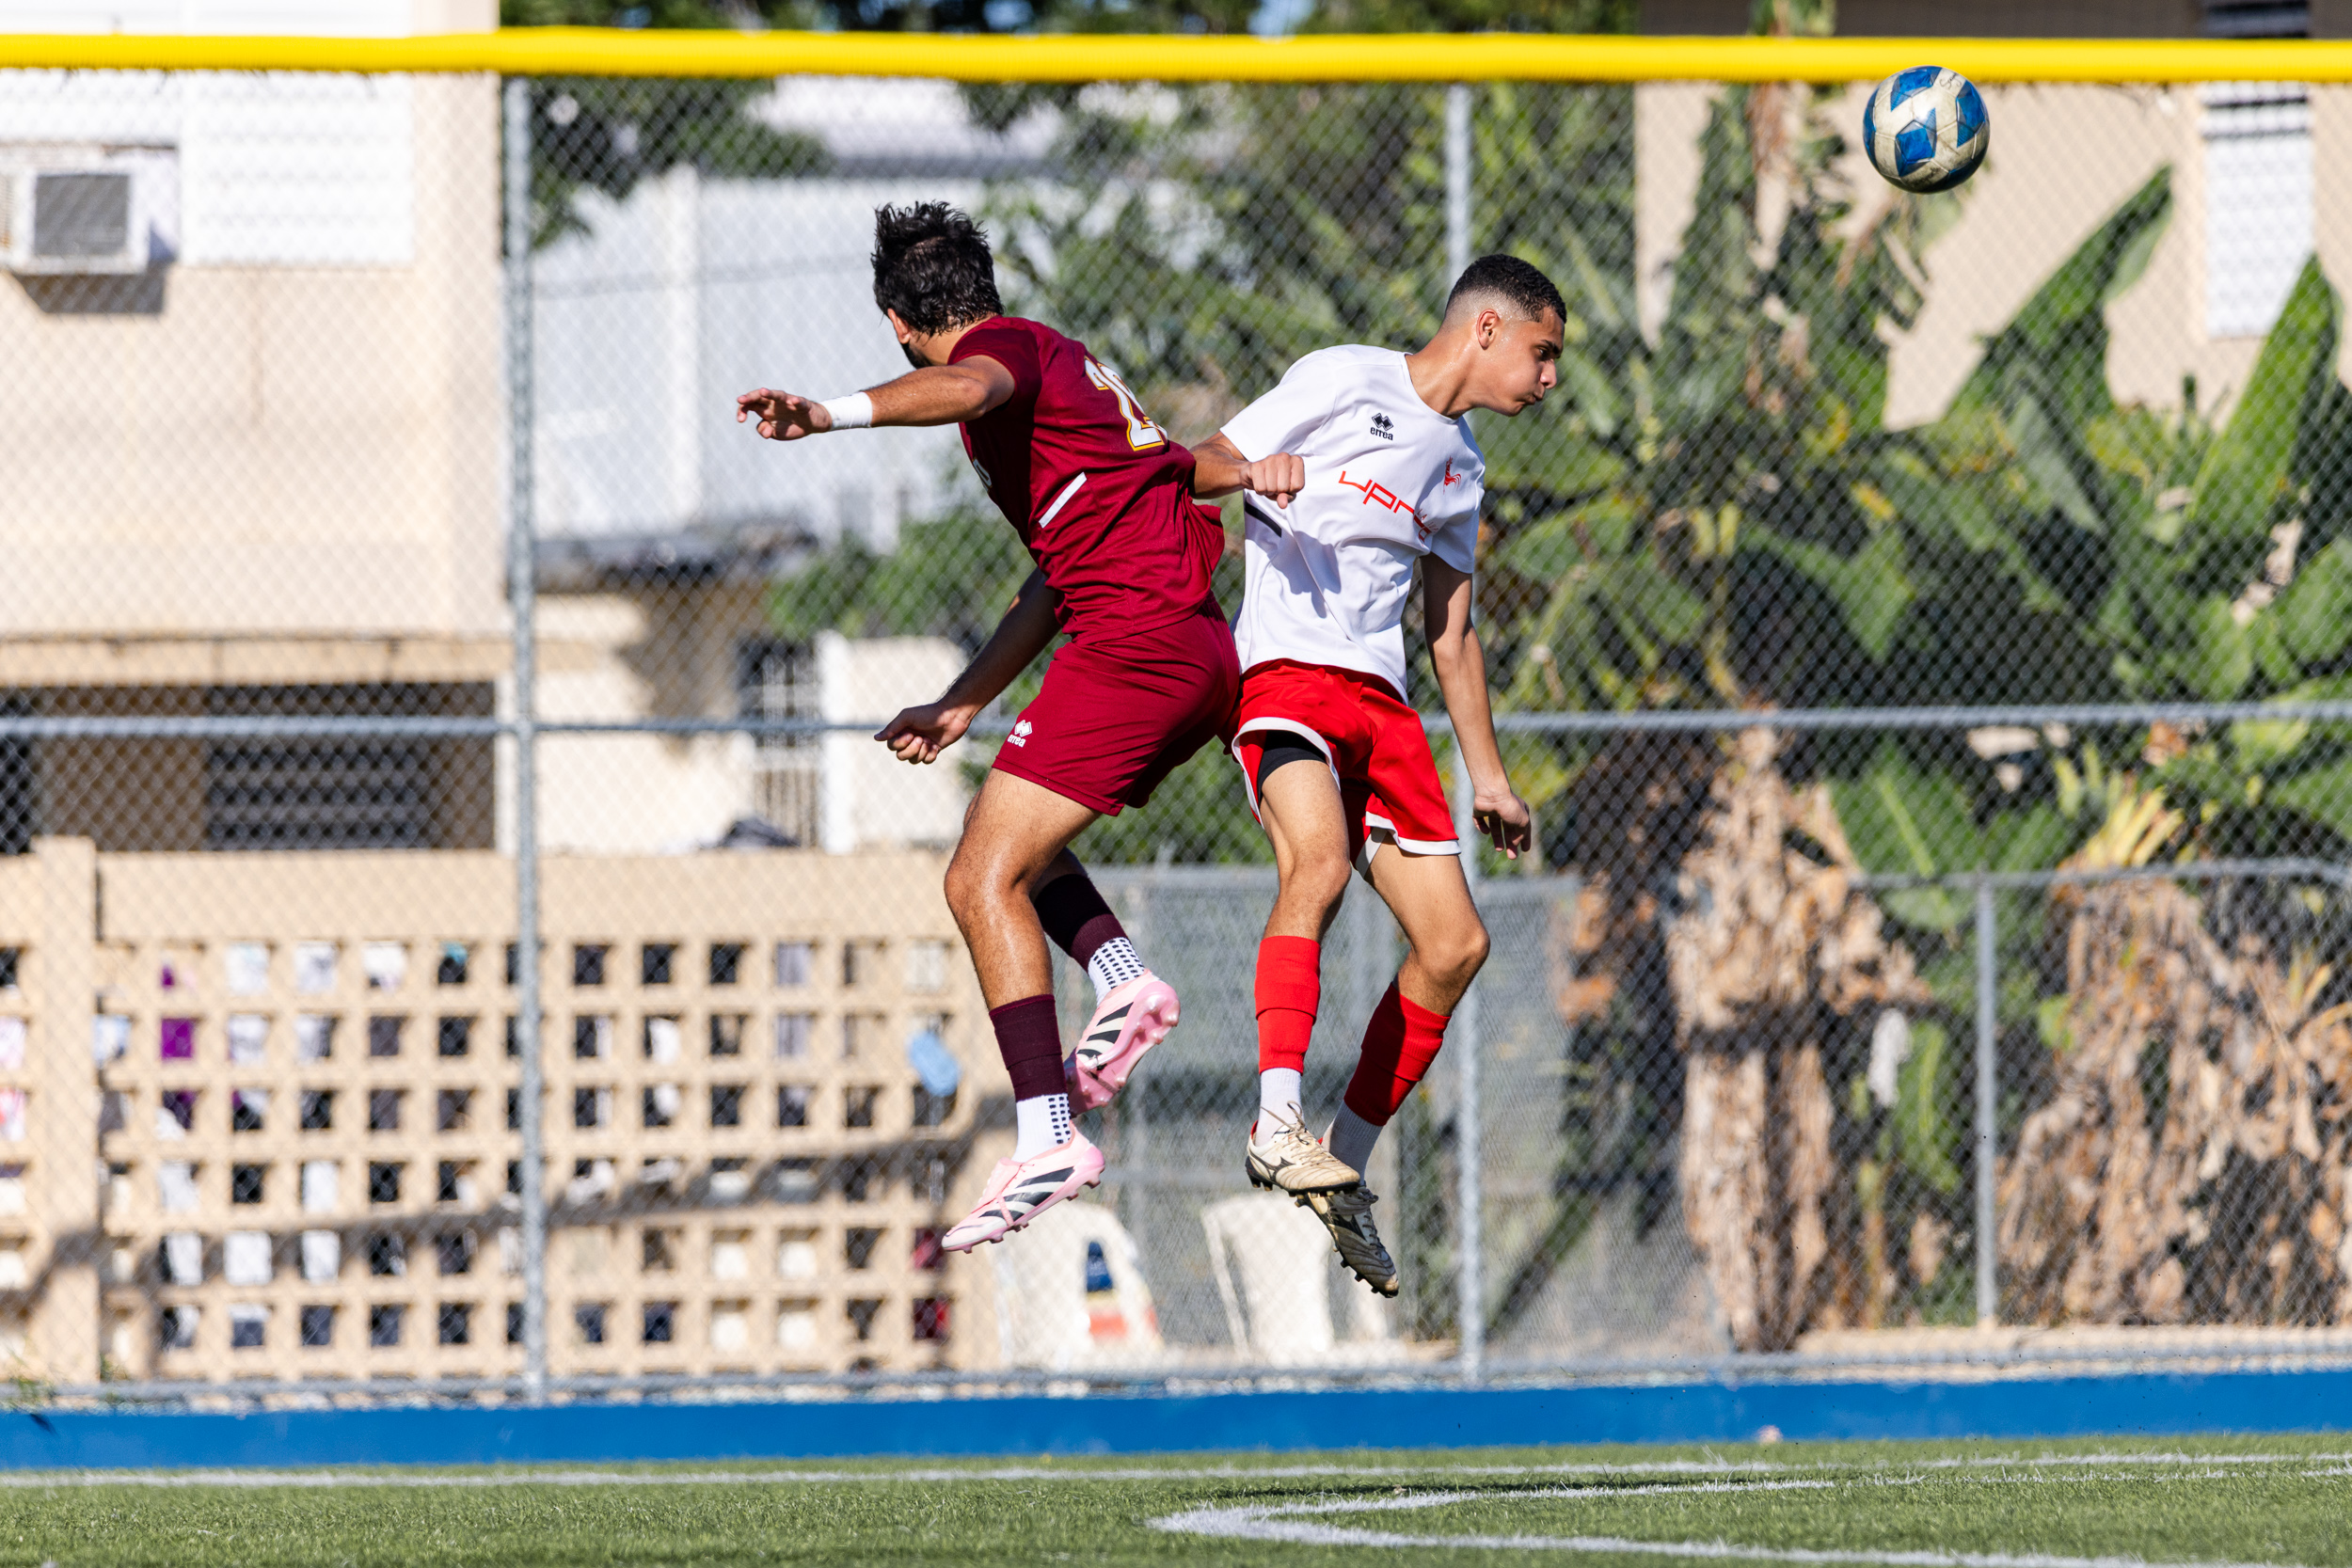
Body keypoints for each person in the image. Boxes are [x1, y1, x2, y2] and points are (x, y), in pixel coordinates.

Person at [736, 203, 1243, 1252]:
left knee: (975, 879)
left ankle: (1048, 1134)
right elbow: (1053, 580)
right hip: (1184, 646)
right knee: (1003, 839)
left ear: (895, 321)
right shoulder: (1058, 368)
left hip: (1139, 642)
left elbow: (964, 381)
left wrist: (824, 414)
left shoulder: (1002, 360)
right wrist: (966, 696)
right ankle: (1120, 978)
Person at [1187, 254, 1554, 1295]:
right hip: (1287, 675)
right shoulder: (1343, 379)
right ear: (1485, 330)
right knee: (1318, 864)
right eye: (1542, 353)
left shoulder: (1462, 466)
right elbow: (1195, 461)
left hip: (1381, 705)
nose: (1548, 378)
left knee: (1455, 942)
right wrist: (1250, 472)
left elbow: (1452, 634)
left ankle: (1338, 1160)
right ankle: (1274, 1120)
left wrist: (1488, 777)